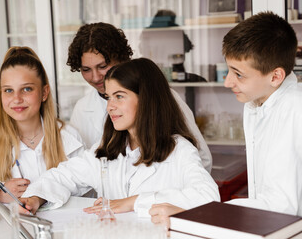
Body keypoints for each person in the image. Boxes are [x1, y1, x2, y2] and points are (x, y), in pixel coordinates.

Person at [149, 11, 302, 226]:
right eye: (229, 70)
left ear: (275, 76)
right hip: (268, 226)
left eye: (238, 74)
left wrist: (195, 213)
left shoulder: (294, 108)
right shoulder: (256, 100)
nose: (228, 82)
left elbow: (279, 205)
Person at [20, 58, 220, 216]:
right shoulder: (109, 148)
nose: (110, 106)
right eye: (108, 97)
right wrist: (36, 197)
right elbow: (65, 176)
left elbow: (208, 197)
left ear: (146, 99)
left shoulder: (179, 150)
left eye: (119, 96)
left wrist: (134, 202)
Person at [67, 22, 213, 172]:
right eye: (86, 69)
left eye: (103, 67)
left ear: (122, 58)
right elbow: (78, 167)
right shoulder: (82, 108)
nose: (96, 77)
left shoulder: (161, 97)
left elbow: (202, 160)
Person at [0, 46, 85, 208]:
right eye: (8, 90)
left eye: (26, 89)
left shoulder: (69, 137)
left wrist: (42, 195)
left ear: (44, 93)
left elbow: (87, 188)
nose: (16, 99)